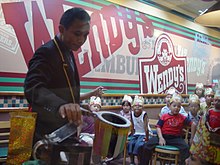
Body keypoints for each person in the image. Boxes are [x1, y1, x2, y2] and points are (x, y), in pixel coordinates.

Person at [24, 7, 106, 145]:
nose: (81, 40)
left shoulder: (67, 50)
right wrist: (60, 105)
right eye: (77, 34)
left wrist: (77, 111)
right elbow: (32, 87)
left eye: (85, 35)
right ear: (61, 29)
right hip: (46, 135)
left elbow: (67, 94)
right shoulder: (47, 52)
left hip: (65, 133)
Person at [138, 93, 196, 165]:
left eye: (178, 106)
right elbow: (158, 127)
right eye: (174, 106)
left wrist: (192, 138)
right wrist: (161, 138)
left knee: (185, 148)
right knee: (146, 146)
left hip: (175, 138)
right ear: (170, 106)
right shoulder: (164, 116)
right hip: (163, 136)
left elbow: (193, 124)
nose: (176, 108)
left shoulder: (182, 117)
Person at [187, 89, 220, 165]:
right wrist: (208, 127)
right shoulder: (209, 111)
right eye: (216, 100)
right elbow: (204, 122)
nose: (217, 102)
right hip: (208, 139)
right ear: (213, 101)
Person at [127, 95, 151, 165]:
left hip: (144, 133)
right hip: (136, 133)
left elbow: (146, 128)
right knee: (131, 143)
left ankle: (139, 162)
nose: (137, 107)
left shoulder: (144, 114)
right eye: (135, 106)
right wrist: (132, 134)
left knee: (138, 144)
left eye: (140, 106)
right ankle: (132, 161)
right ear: (132, 107)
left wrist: (147, 138)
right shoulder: (131, 113)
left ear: (143, 107)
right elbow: (132, 124)